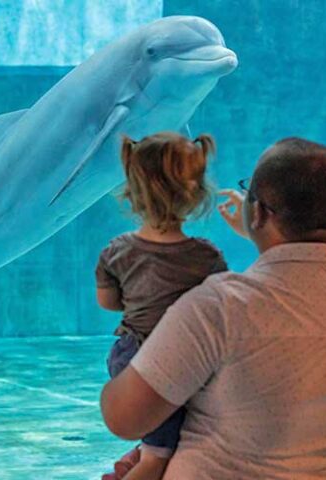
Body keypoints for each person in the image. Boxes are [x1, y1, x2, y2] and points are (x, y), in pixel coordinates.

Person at [100, 137, 326, 479]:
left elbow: (123, 417)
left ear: (257, 211)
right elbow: (302, 288)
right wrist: (262, 233)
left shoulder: (219, 306)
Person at [96, 132, 228, 480]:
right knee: (159, 460)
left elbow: (108, 303)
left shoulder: (115, 251)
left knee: (158, 442)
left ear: (133, 192)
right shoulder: (207, 257)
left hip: (128, 358)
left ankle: (134, 460)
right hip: (171, 365)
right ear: (196, 194)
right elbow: (223, 310)